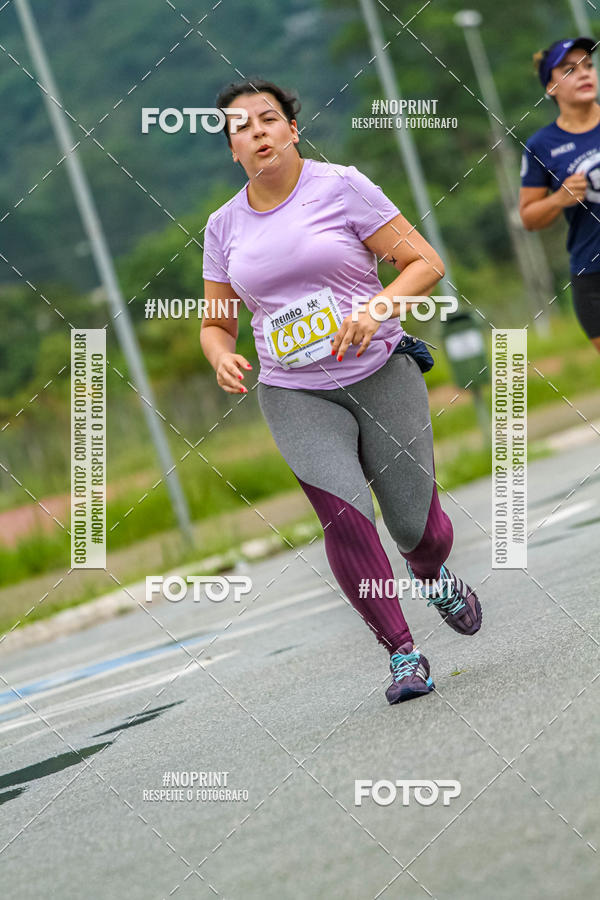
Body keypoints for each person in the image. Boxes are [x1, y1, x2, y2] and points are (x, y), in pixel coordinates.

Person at [201, 77, 481, 705]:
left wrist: (378, 308)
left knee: (419, 530)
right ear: (233, 151)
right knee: (347, 519)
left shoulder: (342, 185)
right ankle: (404, 655)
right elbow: (216, 323)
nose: (257, 132)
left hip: (381, 371)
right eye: (240, 128)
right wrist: (222, 356)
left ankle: (430, 575)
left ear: (292, 129)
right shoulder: (223, 228)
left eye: (267, 119)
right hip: (293, 391)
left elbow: (424, 263)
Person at [520, 37, 600, 352]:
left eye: (589, 66)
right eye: (569, 70)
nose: (584, 74)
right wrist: (559, 198)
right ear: (550, 88)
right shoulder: (542, 145)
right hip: (592, 274)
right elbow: (528, 217)